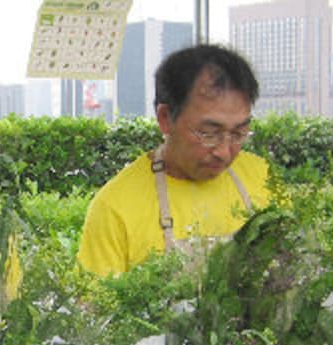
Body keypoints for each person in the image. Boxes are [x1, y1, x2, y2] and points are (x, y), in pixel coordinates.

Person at [77, 44, 271, 277]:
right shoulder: (114, 209)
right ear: (166, 119)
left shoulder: (261, 176)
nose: (224, 151)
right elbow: (97, 309)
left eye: (239, 133)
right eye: (209, 133)